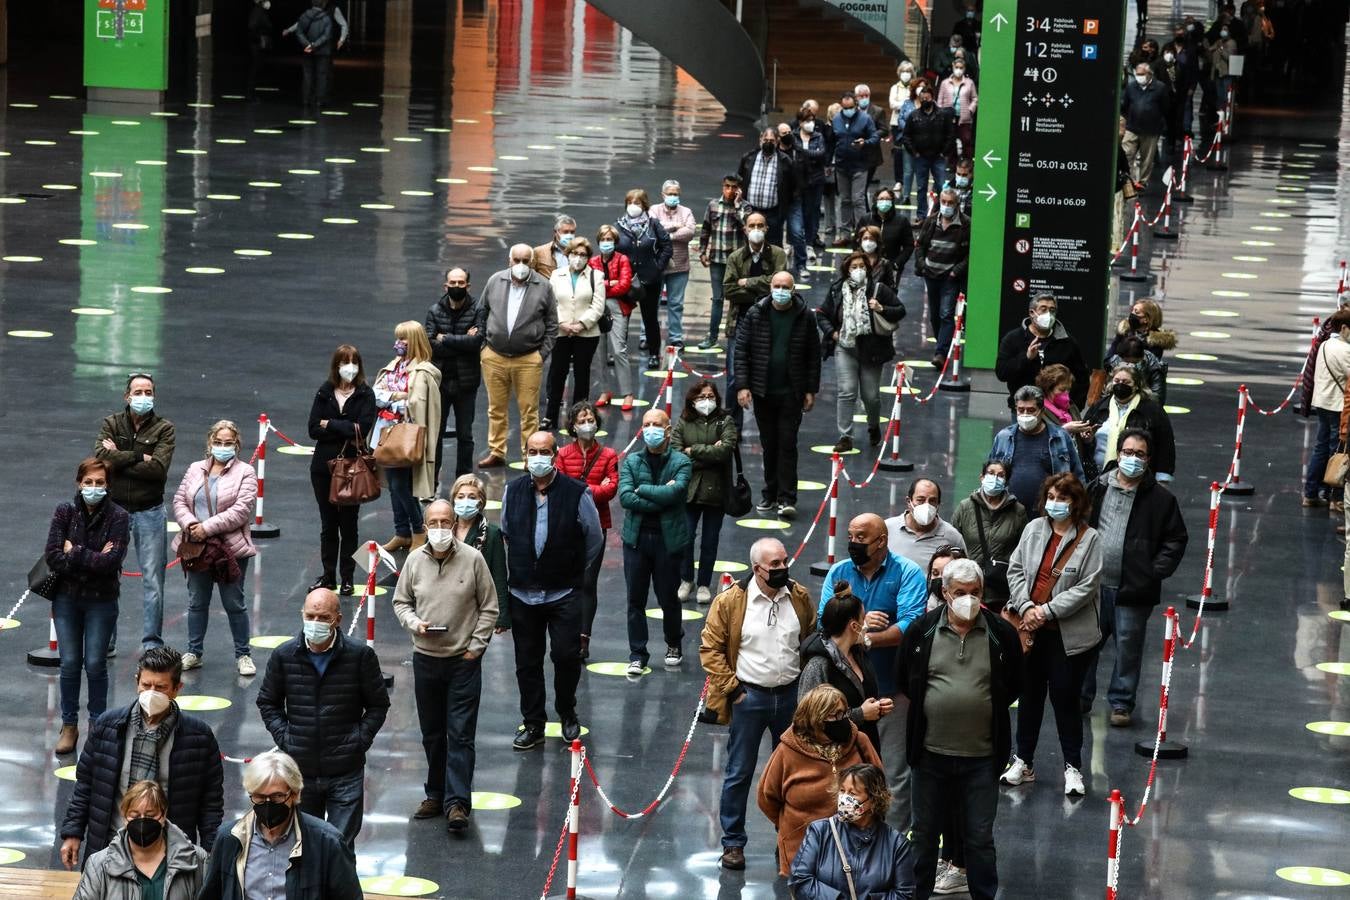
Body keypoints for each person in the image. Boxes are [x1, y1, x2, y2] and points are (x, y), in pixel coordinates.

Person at [897, 558, 1021, 900]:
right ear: (945, 593)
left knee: (979, 837)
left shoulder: (1001, 634)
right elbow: (906, 679)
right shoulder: (921, 631)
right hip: (929, 755)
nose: (969, 598)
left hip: (981, 757)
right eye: (960, 592)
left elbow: (1013, 685)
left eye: (975, 592)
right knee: (923, 834)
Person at [701, 537, 817, 870]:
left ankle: (789, 839)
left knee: (795, 773)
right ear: (757, 569)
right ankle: (733, 843)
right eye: (775, 565)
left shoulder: (799, 596)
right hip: (749, 698)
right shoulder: (730, 602)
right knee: (739, 772)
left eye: (785, 561)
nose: (783, 569)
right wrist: (734, 691)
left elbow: (811, 640)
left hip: (792, 697)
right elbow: (710, 650)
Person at [59, 646, 223, 867]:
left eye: (161, 687)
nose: (151, 692)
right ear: (137, 681)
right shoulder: (107, 726)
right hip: (110, 849)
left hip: (171, 857)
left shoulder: (199, 737)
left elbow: (210, 803)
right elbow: (85, 785)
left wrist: (212, 851)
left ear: (177, 688)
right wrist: (73, 833)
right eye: (146, 685)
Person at [392, 499, 499, 831]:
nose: (439, 527)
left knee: (461, 734)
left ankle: (457, 803)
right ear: (425, 527)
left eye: (445, 521)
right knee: (432, 734)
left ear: (454, 525)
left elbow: (489, 607)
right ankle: (435, 794)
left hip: (463, 662)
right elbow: (400, 602)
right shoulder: (413, 561)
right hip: (425, 659)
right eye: (433, 522)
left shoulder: (473, 559)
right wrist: (414, 623)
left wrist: (475, 648)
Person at [256, 588, 390, 849]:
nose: (315, 623)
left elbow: (377, 705)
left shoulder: (359, 656)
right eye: (310, 616)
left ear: (337, 619)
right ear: (302, 615)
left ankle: (340, 891)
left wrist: (358, 741)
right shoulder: (284, 656)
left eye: (323, 617)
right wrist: (287, 739)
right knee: (303, 847)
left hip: (345, 771)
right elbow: (268, 702)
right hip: (300, 772)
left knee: (340, 847)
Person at [820, 513, 928, 828]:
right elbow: (825, 627)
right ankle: (841, 838)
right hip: (846, 696)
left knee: (893, 771)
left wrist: (860, 639)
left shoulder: (907, 573)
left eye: (861, 538)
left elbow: (909, 627)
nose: (853, 543)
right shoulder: (839, 572)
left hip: (891, 692)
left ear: (881, 541)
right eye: (851, 537)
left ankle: (891, 843)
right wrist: (865, 630)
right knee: (841, 767)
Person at [499, 431, 603, 750]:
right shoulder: (512, 490)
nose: (538, 457)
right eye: (533, 451)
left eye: (545, 451)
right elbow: (506, 531)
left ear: (556, 454)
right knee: (527, 662)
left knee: (565, 656)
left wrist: (568, 568)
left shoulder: (577, 493)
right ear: (525, 454)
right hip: (522, 594)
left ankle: (567, 712)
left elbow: (594, 538)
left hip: (563, 593)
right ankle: (533, 723)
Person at [1002, 474, 1103, 797]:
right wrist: (1027, 606)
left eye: (1062, 497)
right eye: (1051, 496)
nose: (1054, 503)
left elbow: (1087, 587)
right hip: (1031, 631)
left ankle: (1073, 767)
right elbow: (1015, 569)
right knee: (1030, 697)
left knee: (1065, 698)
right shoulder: (1033, 529)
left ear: (1075, 502)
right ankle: (1024, 761)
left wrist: (1046, 611)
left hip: (1066, 635)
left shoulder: (1090, 540)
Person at [1083, 430, 1189, 725]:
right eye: (1127, 452)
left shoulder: (1161, 499)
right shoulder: (1098, 488)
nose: (1132, 459)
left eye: (1139, 454)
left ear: (1148, 459)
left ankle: (1121, 703)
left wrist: (1153, 572)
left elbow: (1176, 539)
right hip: (1093, 585)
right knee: (1086, 645)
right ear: (1118, 454)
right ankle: (1081, 697)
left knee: (1128, 648)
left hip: (1133, 589)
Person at [45, 458, 129, 754]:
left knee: (95, 663)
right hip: (66, 599)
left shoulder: (119, 517)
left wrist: (76, 552)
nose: (94, 488)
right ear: (78, 483)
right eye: (88, 482)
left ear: (108, 485)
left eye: (100, 483)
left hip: (102, 602)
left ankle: (97, 725)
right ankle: (69, 726)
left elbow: (111, 563)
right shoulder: (64, 511)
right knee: (69, 664)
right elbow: (53, 556)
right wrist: (92, 558)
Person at [197, 751, 361, 900]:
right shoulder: (229, 839)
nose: (268, 804)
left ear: (295, 794)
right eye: (260, 797)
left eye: (276, 797)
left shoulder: (327, 842)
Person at [757, 685, 883, 877]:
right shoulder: (787, 751)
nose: (840, 720)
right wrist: (791, 827)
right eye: (832, 716)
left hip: (854, 851)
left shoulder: (860, 741)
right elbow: (767, 798)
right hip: (803, 853)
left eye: (842, 714)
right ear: (814, 720)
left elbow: (879, 787)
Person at [95, 373, 174, 653]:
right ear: (127, 396)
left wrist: (119, 455)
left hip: (149, 511)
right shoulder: (111, 423)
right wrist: (140, 456)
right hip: (114, 511)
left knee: (154, 580)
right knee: (107, 575)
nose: (144, 396)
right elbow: (101, 460)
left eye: (148, 391)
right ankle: (107, 641)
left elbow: (158, 470)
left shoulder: (165, 428)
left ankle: (152, 642)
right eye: (138, 391)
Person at [171, 422, 257, 675]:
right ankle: (194, 652)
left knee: (234, 602)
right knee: (197, 601)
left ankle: (243, 655)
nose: (222, 446)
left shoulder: (246, 472)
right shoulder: (195, 469)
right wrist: (190, 523)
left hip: (230, 548)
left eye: (228, 442)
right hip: (196, 546)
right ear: (210, 443)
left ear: (237, 444)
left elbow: (241, 510)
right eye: (218, 442)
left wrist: (206, 528)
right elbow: (179, 500)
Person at [735, 271, 820, 519]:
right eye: (777, 286)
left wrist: (810, 390)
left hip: (791, 393)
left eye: (786, 286)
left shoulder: (805, 316)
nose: (781, 290)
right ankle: (769, 493)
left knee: (787, 444)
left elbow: (813, 355)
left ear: (793, 290)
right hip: (763, 391)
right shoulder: (756, 313)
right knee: (769, 444)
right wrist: (743, 386)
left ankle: (786, 498)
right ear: (770, 287)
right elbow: (741, 351)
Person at [620, 409, 693, 672]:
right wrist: (661, 496)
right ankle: (637, 653)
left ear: (668, 429)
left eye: (656, 424)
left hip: (667, 541)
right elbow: (626, 498)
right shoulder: (631, 461)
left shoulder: (682, 461)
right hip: (636, 540)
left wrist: (645, 491)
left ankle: (674, 642)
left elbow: (677, 493)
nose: (650, 429)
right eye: (646, 424)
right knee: (634, 600)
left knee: (668, 598)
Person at [817, 250, 906, 452]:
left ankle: (873, 425)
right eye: (854, 267)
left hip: (872, 351)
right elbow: (822, 314)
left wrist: (882, 308)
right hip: (845, 347)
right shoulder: (837, 289)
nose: (859, 270)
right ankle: (845, 436)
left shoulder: (879, 290)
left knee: (871, 396)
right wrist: (833, 334)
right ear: (847, 270)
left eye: (862, 267)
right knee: (846, 392)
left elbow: (900, 310)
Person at [478, 245, 557, 467]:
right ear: (509, 260)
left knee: (529, 411)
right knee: (496, 409)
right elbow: (481, 312)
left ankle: (529, 455)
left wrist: (541, 354)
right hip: (494, 356)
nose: (521, 265)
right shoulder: (495, 281)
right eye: (517, 260)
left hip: (528, 358)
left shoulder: (544, 287)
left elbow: (552, 324)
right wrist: (484, 346)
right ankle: (496, 451)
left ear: (532, 262)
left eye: (525, 260)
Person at [307, 345, 377, 594]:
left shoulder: (366, 394)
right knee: (328, 524)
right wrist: (345, 426)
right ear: (336, 365)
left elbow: (362, 428)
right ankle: (328, 575)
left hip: (352, 469)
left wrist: (332, 424)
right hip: (322, 468)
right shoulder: (325, 391)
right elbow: (313, 428)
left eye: (354, 362)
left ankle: (347, 577)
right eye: (344, 362)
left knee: (349, 524)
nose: (349, 367)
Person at [789, 763, 917, 900]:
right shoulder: (820, 832)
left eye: (852, 793)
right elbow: (799, 881)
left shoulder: (896, 844)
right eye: (842, 791)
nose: (844, 799)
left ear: (873, 800)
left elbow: (905, 894)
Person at [72, 780, 209, 900]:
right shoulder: (98, 866)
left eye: (150, 815)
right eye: (135, 815)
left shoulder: (197, 861)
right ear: (124, 816)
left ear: (164, 814)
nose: (142, 821)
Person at [553, 403, 618, 656]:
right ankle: (566, 633)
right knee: (568, 582)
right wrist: (593, 488)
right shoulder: (563, 454)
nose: (588, 423)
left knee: (589, 583)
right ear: (573, 425)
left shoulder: (609, 455)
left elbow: (611, 489)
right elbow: (559, 486)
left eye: (591, 418)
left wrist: (580, 489)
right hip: (567, 528)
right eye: (582, 419)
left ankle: (583, 638)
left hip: (597, 527)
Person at [373, 322, 442, 549]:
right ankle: (401, 531)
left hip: (407, 437)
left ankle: (418, 529)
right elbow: (376, 395)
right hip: (386, 433)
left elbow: (415, 404)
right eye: (398, 338)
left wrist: (393, 398)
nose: (399, 343)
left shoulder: (423, 372)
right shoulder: (393, 366)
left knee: (401, 485)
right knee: (393, 484)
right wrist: (398, 396)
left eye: (404, 339)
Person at [799, 587, 890, 755]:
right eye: (864, 618)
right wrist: (860, 714)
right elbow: (809, 720)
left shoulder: (859, 653)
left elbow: (862, 697)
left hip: (864, 749)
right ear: (854, 626)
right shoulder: (818, 665)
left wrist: (877, 708)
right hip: (835, 757)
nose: (866, 625)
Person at [672, 381, 737, 605]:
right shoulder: (683, 422)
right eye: (701, 396)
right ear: (692, 400)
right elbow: (677, 456)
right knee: (686, 539)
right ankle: (686, 579)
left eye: (710, 396)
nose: (706, 400)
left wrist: (694, 450)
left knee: (710, 541)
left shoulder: (725, 420)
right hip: (688, 491)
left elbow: (725, 451)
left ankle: (703, 584)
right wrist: (710, 453)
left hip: (716, 492)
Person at [425, 267, 486, 483]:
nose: (457, 287)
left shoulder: (478, 309)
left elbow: (477, 342)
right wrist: (463, 340)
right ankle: (431, 481)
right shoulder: (434, 311)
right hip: (440, 383)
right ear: (446, 285)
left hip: (466, 383)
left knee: (465, 435)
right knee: (436, 434)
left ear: (468, 285)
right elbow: (431, 346)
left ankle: (464, 480)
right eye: (453, 283)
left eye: (461, 283)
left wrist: (446, 338)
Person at [988, 386, 1087, 514]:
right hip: (1009, 514)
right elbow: (990, 474)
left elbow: (1077, 476)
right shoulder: (1003, 437)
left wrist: (1079, 510)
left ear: (1042, 411)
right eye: (1021, 410)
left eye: (1031, 410)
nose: (1025, 414)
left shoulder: (1060, 437)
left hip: (1049, 514)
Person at [544, 236, 606, 428]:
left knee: (582, 374)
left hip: (586, 333)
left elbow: (598, 305)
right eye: (574, 253)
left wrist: (581, 324)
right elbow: (550, 303)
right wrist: (562, 324)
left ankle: (579, 417)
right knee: (557, 373)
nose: (578, 258)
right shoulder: (556, 275)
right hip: (561, 332)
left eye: (582, 254)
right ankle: (550, 416)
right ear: (567, 254)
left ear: (588, 257)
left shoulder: (597, 276)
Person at [951, 459, 1029, 611]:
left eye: (1001, 475)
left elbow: (1024, 551)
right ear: (982, 477)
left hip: (1001, 591)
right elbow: (953, 544)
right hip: (967, 587)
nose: (995, 478)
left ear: (1006, 481)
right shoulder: (965, 507)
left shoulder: (1018, 512)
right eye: (991, 473)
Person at [994, 294, 1091, 409]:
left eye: (1052, 310)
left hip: (1058, 411)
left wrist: (1073, 406)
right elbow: (1002, 373)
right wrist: (1026, 358)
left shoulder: (1067, 342)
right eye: (1043, 309)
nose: (1048, 314)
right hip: (1024, 408)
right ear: (1032, 313)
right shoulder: (1014, 338)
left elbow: (1082, 378)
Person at [1084, 365, 1177, 481]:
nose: (1120, 384)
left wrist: (1162, 478)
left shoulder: (1152, 410)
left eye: (1126, 382)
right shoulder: (1099, 407)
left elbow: (1165, 445)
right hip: (1097, 476)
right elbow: (1084, 439)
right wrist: (1088, 440)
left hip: (1139, 477)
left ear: (1137, 385)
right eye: (1116, 381)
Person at [615, 189, 673, 368]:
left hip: (649, 279)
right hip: (626, 280)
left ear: (644, 205)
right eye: (630, 202)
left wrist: (658, 267)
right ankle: (618, 352)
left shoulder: (653, 224)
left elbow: (667, 246)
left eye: (637, 203)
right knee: (622, 317)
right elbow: (613, 249)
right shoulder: (618, 226)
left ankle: (654, 354)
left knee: (650, 318)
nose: (633, 206)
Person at [446, 474, 509, 635]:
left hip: (477, 610)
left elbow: (498, 576)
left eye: (471, 496)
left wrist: (501, 616)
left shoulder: (492, 534)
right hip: (445, 605)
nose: (465, 500)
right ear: (454, 499)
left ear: (480, 502)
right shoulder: (442, 530)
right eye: (461, 496)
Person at [914, 188, 970, 366]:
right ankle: (942, 344)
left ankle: (941, 353)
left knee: (946, 313)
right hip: (931, 274)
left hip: (950, 277)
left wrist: (957, 270)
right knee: (935, 315)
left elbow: (970, 253)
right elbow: (920, 245)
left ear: (957, 204)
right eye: (943, 202)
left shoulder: (966, 224)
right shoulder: (931, 221)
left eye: (950, 203)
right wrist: (922, 265)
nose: (946, 206)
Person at [1301, 310, 1350, 507]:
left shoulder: (1324, 344)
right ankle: (1335, 496)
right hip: (1338, 406)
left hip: (1322, 402)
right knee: (1338, 452)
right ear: (1345, 328)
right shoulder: (1344, 350)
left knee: (1320, 448)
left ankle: (1310, 493)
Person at [697, 174, 750, 350]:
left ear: (739, 189)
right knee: (717, 299)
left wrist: (736, 207)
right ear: (723, 186)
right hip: (717, 259)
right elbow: (705, 229)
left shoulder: (745, 207)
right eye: (727, 186)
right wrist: (702, 251)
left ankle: (737, 337)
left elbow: (748, 230)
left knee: (738, 298)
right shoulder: (713, 205)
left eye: (734, 187)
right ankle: (712, 337)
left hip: (738, 262)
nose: (730, 190)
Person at [591, 225, 636, 410]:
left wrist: (603, 285)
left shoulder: (622, 259)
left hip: (618, 307)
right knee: (599, 352)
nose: (606, 242)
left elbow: (624, 285)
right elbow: (592, 284)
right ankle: (604, 390)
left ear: (615, 242)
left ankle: (627, 394)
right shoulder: (593, 261)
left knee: (619, 350)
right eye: (603, 239)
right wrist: (610, 283)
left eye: (609, 239)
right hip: (596, 308)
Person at [653, 180, 697, 347]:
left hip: (680, 265)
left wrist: (668, 235)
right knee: (652, 303)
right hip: (658, 265)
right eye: (670, 194)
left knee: (676, 303)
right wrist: (677, 226)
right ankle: (646, 336)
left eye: (676, 194)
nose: (673, 197)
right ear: (663, 195)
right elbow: (653, 228)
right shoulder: (654, 210)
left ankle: (676, 337)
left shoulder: (686, 212)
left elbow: (690, 232)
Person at [901, 79, 952, 223]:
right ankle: (921, 215)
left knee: (942, 186)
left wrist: (944, 152)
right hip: (921, 157)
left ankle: (943, 214)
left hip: (938, 156)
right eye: (922, 99)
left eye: (927, 98)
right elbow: (906, 136)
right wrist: (914, 152)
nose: (925, 101)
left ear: (932, 98)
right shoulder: (914, 115)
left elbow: (950, 135)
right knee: (921, 187)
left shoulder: (942, 115)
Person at [885, 478, 967, 568]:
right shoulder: (887, 529)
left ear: (938, 505)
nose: (926, 506)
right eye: (920, 500)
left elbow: (963, 574)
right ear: (909, 502)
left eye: (932, 501)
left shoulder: (952, 537)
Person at [786, 106, 828, 279]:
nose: (810, 123)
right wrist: (807, 154)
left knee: (812, 211)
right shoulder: (794, 136)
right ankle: (793, 243)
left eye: (812, 120)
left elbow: (820, 154)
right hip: (798, 181)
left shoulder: (818, 136)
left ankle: (809, 242)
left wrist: (803, 152)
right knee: (797, 214)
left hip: (815, 180)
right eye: (807, 120)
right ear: (800, 122)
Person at [832, 90, 879, 239]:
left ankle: (862, 233)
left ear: (856, 105)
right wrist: (828, 163)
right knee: (844, 200)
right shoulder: (836, 119)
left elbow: (875, 137)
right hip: (841, 166)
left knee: (858, 200)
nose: (848, 111)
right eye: (845, 108)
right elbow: (832, 141)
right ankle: (845, 234)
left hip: (860, 165)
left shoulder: (865, 119)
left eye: (850, 107)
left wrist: (865, 143)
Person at [738, 128, 796, 248]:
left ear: (777, 141)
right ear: (760, 139)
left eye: (772, 140)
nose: (768, 143)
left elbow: (792, 186)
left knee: (773, 247)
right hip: (751, 210)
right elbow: (740, 180)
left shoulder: (785, 161)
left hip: (773, 214)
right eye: (765, 140)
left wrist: (783, 211)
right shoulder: (748, 158)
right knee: (748, 246)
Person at [1121, 61, 1172, 187]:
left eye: (1141, 74)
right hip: (1132, 127)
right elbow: (1125, 105)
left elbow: (1166, 108)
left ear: (1149, 74)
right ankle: (1128, 180)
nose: (1139, 76)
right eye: (1137, 74)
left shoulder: (1160, 88)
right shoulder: (1131, 87)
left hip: (1151, 130)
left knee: (1147, 159)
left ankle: (1142, 182)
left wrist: (1161, 124)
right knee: (1127, 154)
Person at [282, 0, 335, 112]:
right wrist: (315, 45)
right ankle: (319, 101)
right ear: (323, 4)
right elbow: (327, 35)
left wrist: (308, 44)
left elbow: (299, 32)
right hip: (322, 51)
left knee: (307, 75)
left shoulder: (304, 16)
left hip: (307, 51)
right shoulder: (326, 18)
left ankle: (305, 100)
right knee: (321, 76)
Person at [936, 57, 978, 170]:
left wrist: (970, 110)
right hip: (948, 117)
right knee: (950, 141)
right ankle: (952, 164)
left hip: (964, 117)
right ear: (953, 67)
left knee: (966, 140)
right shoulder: (945, 83)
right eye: (956, 67)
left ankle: (967, 164)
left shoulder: (969, 83)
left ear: (964, 69)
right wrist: (940, 114)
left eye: (961, 67)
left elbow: (975, 98)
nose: (958, 70)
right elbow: (940, 100)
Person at [1106, 298, 1177, 364]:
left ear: (1146, 319)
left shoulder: (1156, 341)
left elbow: (1148, 366)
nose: (1132, 314)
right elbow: (1110, 356)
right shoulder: (1124, 331)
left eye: (1136, 312)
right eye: (1132, 310)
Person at [866, 186, 915, 275]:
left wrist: (897, 264)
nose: (884, 201)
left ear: (892, 202)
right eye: (881, 199)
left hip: (892, 269)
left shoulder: (902, 221)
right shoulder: (866, 219)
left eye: (887, 199)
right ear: (876, 201)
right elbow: (856, 242)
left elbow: (909, 246)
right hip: (868, 266)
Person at [889, 62, 918, 199]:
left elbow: (916, 104)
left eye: (908, 71)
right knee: (898, 153)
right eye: (903, 71)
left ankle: (908, 183)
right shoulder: (895, 87)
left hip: (912, 124)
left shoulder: (915, 88)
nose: (905, 74)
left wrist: (903, 105)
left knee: (910, 153)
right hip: (896, 124)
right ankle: (898, 181)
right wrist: (906, 104)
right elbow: (892, 104)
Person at [854, 223, 900, 292]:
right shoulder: (853, 260)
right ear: (860, 241)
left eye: (872, 239)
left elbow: (891, 288)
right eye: (865, 238)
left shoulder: (885, 264)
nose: (868, 242)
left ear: (877, 242)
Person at [530, 214, 577, 278]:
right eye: (565, 232)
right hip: (548, 287)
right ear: (556, 232)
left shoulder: (579, 253)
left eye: (572, 232)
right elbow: (531, 276)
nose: (569, 235)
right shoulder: (539, 252)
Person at [246, 0, 275, 101]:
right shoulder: (258, 11)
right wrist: (260, 37)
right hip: (256, 45)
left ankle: (252, 94)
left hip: (256, 44)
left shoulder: (259, 11)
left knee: (256, 69)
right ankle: (250, 95)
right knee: (254, 69)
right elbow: (252, 26)